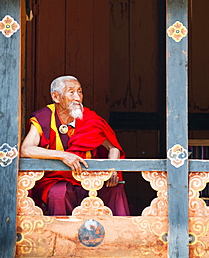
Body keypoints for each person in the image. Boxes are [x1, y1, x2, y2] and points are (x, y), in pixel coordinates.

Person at [21, 76, 130, 216]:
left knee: (115, 190)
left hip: (89, 178)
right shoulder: (44, 117)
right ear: (56, 97)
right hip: (57, 179)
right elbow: (26, 149)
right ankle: (60, 235)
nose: (78, 97)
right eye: (71, 92)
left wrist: (112, 169)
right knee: (58, 193)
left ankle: (118, 234)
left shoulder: (89, 118)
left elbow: (113, 147)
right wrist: (63, 156)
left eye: (80, 91)